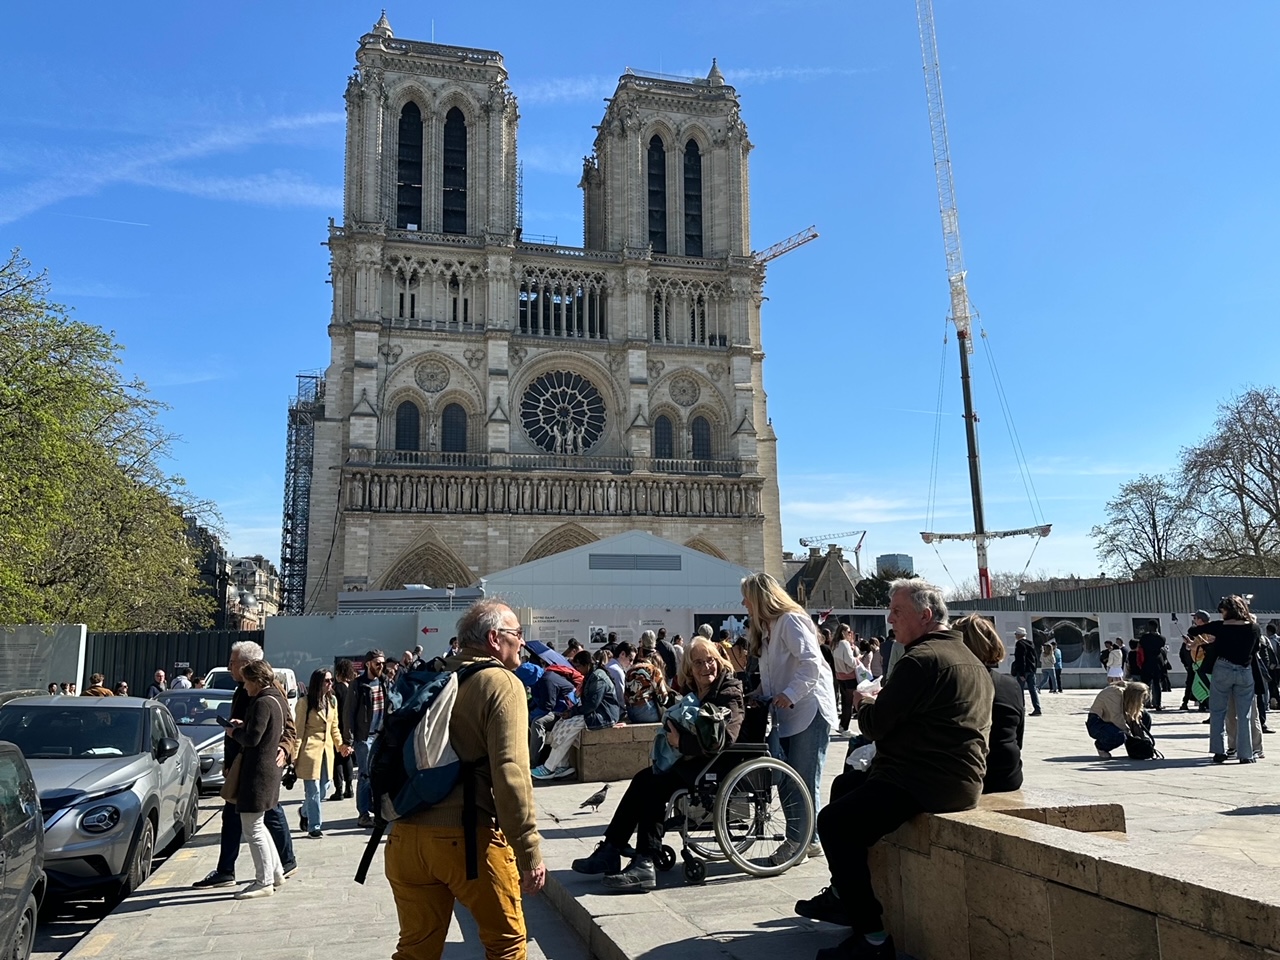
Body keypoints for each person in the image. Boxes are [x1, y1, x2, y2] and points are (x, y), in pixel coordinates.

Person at [795, 580, 992, 960]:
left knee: (834, 823)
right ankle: (843, 895)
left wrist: (864, 701)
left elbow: (876, 726)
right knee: (846, 784)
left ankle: (873, 938)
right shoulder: (968, 658)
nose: (889, 619)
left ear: (926, 615)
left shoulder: (919, 660)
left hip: (922, 781)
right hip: (957, 779)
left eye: (897, 611)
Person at [384, 599, 546, 960]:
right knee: (506, 947)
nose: (522, 642)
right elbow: (511, 774)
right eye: (517, 634)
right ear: (493, 638)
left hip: (405, 839)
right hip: (466, 840)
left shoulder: (435, 677)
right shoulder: (501, 683)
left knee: (414, 951)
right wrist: (528, 851)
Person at [571, 637, 744, 890]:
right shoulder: (695, 691)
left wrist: (680, 742)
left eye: (710, 661)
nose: (706, 667)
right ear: (689, 668)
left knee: (654, 785)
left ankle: (645, 861)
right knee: (644, 778)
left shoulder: (728, 691)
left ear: (719, 661)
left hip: (714, 764)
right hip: (694, 760)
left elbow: (726, 737)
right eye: (698, 662)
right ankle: (611, 849)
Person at [741, 571, 838, 865]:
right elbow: (772, 676)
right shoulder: (768, 630)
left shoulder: (790, 621)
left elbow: (811, 663)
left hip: (808, 709)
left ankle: (798, 843)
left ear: (760, 599)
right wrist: (758, 693)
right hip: (787, 714)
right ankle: (808, 840)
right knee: (786, 778)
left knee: (804, 778)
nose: (743, 603)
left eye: (747, 598)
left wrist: (791, 693)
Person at [192, 640, 298, 889]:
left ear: (249, 666)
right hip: (242, 764)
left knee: (264, 816)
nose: (229, 668)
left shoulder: (268, 693)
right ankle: (228, 870)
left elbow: (289, 729)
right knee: (235, 815)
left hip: (258, 767)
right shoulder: (244, 690)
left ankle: (283, 864)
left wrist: (284, 749)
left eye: (233, 663)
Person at [227, 658, 290, 899]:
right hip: (268, 771)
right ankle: (275, 872)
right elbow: (265, 730)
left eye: (246, 682)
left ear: (256, 681)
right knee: (260, 825)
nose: (244, 687)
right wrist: (246, 725)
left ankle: (263, 881)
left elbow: (253, 738)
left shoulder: (262, 702)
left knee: (252, 828)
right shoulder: (276, 699)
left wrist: (235, 732)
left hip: (257, 772)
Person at [1190, 595, 1262, 763]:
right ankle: (1246, 754)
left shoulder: (1220, 626)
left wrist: (1213, 638)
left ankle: (1219, 751)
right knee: (1244, 715)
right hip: (1245, 670)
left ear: (1226, 611)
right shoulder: (1254, 627)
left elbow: (1193, 631)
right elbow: (1256, 649)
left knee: (1217, 712)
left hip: (1222, 668)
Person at [955, 615, 1023, 792]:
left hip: (974, 777)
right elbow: (1018, 736)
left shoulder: (956, 684)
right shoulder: (1010, 684)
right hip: (1009, 774)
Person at [533, 649, 621, 780]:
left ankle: (549, 767)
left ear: (587, 665)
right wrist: (571, 712)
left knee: (569, 727)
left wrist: (573, 712)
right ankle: (562, 765)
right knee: (561, 724)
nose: (577, 669)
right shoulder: (592, 675)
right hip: (595, 712)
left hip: (603, 715)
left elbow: (592, 704)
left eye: (578, 666)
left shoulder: (598, 677)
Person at [295, 668, 349, 838]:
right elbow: (298, 731)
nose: (330, 683)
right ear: (318, 682)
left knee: (325, 789)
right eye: (326, 680)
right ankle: (314, 826)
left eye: (331, 680)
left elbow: (334, 728)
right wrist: (293, 755)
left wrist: (341, 745)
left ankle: (304, 812)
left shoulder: (332, 700)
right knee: (314, 791)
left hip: (327, 752)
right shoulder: (304, 702)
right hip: (309, 752)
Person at [347, 649, 389, 827]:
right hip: (364, 738)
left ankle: (376, 809)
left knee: (378, 775)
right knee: (364, 775)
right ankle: (363, 813)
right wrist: (348, 739)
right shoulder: (358, 684)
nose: (381, 666)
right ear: (368, 664)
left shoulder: (384, 682)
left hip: (381, 737)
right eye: (377, 663)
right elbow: (348, 713)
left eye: (382, 663)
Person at [1086, 681, 1149, 758]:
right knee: (1118, 736)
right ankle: (1101, 747)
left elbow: (1136, 714)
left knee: (1145, 716)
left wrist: (1141, 734)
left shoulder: (1126, 693)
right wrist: (1130, 735)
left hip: (1114, 719)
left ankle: (1137, 745)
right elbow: (1116, 718)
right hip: (1098, 722)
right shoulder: (1113, 693)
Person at [624, 634, 669, 724]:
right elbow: (663, 698)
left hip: (631, 713)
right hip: (647, 713)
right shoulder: (653, 670)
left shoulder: (630, 670)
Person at [330, 658, 356, 801]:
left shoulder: (336, 689)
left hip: (338, 727)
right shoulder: (352, 688)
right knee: (348, 757)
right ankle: (349, 787)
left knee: (338, 759)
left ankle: (338, 789)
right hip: (350, 728)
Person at [832, 624, 860, 735]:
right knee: (849, 703)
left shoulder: (835, 644)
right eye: (848, 632)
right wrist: (858, 659)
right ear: (843, 633)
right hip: (849, 676)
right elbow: (851, 662)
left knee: (844, 702)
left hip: (840, 675)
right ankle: (845, 726)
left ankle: (842, 725)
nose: (850, 634)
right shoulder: (844, 644)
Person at [1010, 627, 1042, 716]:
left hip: (1023, 671)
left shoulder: (1019, 644)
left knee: (1020, 690)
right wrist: (1034, 669)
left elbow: (1021, 659)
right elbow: (1035, 657)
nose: (1015, 635)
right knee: (1033, 690)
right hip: (1031, 670)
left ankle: (1021, 708)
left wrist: (1021, 673)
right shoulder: (1030, 643)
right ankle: (1037, 708)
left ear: (1020, 635)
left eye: (1016, 634)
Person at [1137, 621, 1167, 710]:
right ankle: (1157, 703)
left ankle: (1145, 702)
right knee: (1157, 684)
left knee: (1145, 684)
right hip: (1157, 662)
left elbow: (1140, 647)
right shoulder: (1162, 638)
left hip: (1146, 662)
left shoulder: (1144, 638)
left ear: (1149, 627)